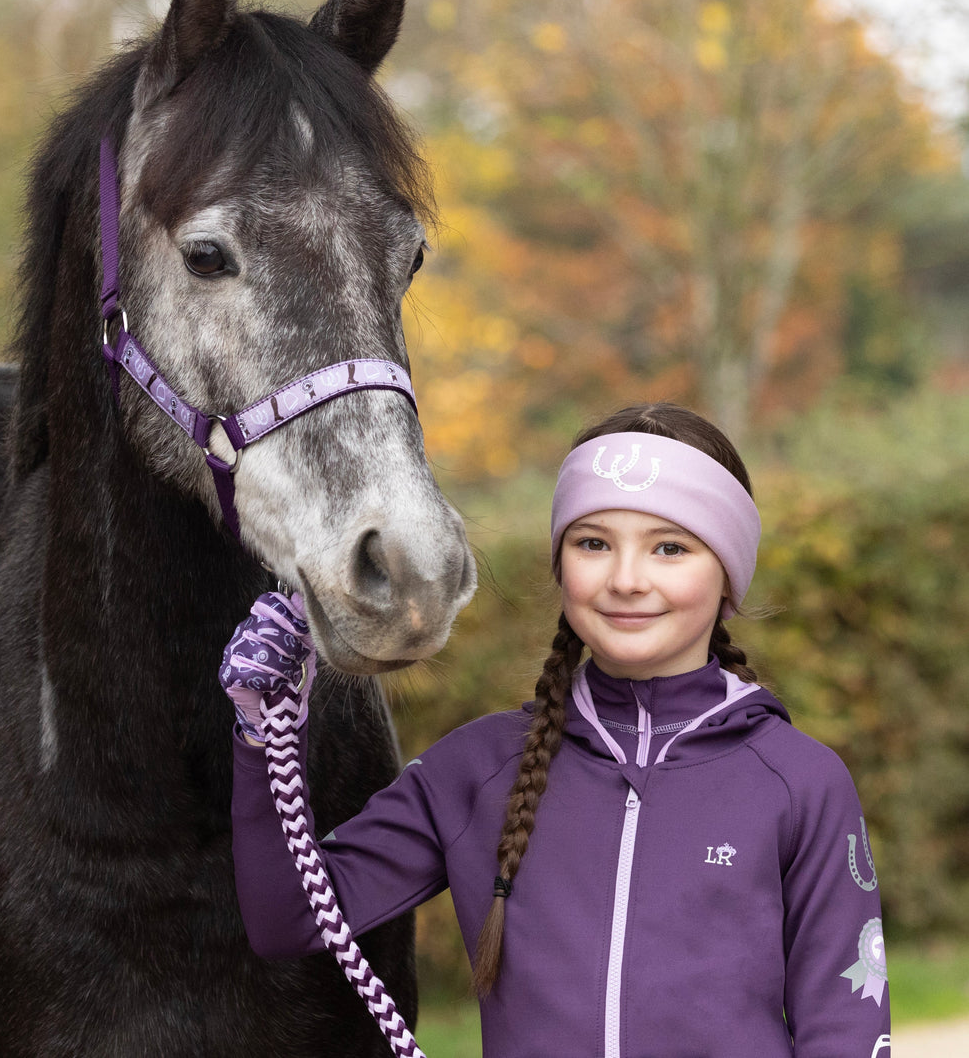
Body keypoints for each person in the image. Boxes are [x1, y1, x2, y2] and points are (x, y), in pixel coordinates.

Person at [221, 402, 890, 1057]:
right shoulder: (476, 770)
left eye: (670, 547)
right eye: (594, 543)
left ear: (728, 575)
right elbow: (290, 918)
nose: (627, 580)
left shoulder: (800, 782)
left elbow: (846, 1031)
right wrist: (263, 732)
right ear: (561, 564)